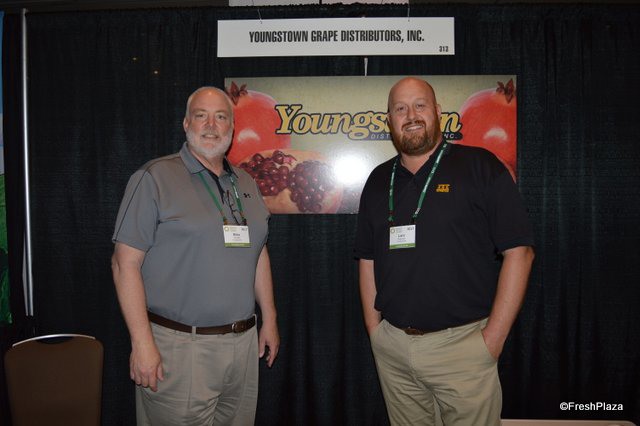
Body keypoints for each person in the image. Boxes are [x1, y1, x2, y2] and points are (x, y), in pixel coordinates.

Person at [354, 77, 535, 425]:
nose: (411, 115)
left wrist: (492, 340)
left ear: (438, 111)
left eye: (420, 105)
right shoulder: (377, 181)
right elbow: (367, 258)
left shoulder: (481, 166)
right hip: (393, 350)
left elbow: (520, 252)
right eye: (400, 109)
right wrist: (375, 332)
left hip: (464, 349)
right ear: (389, 120)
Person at [111, 86, 279, 425]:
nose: (211, 125)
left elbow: (258, 251)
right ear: (186, 123)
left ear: (232, 127)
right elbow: (123, 263)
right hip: (179, 348)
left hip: (243, 346)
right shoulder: (153, 178)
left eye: (221, 117)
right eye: (201, 116)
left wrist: (270, 318)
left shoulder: (245, 182)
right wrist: (142, 343)